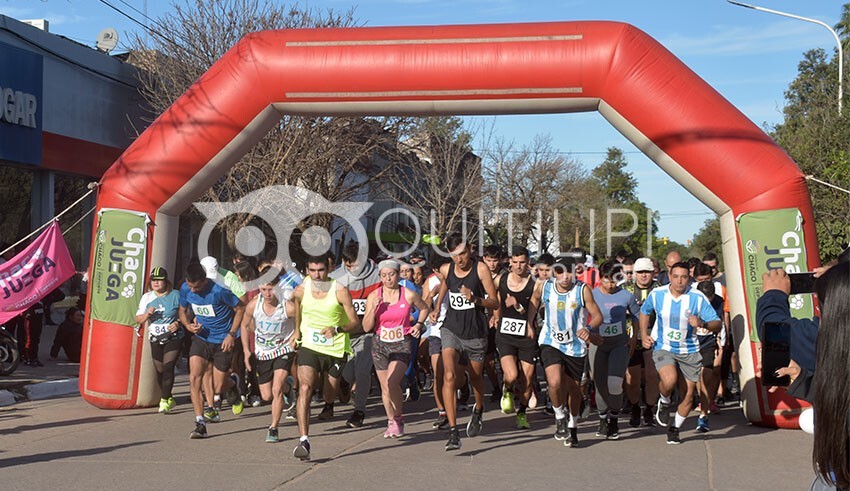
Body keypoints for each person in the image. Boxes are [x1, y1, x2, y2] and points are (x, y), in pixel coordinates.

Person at [430, 234, 499, 451]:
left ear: (470, 249)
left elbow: (494, 302)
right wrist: (436, 307)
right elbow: (445, 284)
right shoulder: (446, 269)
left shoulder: (481, 269)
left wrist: (475, 299)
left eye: (462, 254)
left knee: (476, 377)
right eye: (454, 255)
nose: (459, 259)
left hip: (475, 332)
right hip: (451, 329)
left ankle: (478, 408)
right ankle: (453, 432)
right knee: (449, 376)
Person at [639, 261, 720, 444]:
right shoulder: (658, 294)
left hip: (689, 350)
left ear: (689, 279)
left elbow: (717, 323)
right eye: (675, 277)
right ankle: (664, 400)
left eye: (684, 277)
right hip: (664, 346)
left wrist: (702, 323)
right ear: (669, 276)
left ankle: (674, 428)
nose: (679, 281)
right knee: (669, 380)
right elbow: (644, 312)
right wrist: (644, 334)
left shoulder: (697, 297)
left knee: (688, 394)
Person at [291, 253, 361, 461]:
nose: (317, 275)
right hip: (310, 345)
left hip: (335, 347)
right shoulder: (301, 289)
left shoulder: (340, 291)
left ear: (328, 269)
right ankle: (304, 440)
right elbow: (298, 309)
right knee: (305, 387)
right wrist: (296, 332)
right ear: (307, 270)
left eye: (320, 270)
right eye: (312, 270)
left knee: (329, 394)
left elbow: (355, 323)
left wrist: (337, 329)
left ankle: (342, 386)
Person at [528, 256, 603, 448]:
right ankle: (560, 415)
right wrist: (530, 322)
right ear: (554, 272)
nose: (565, 276)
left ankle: (573, 425)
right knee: (554, 381)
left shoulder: (582, 290)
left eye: (569, 272)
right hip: (550, 341)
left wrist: (588, 328)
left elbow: (598, 316)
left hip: (575, 346)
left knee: (574, 391)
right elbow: (534, 300)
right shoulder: (545, 287)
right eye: (560, 272)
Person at [362, 259, 430, 438]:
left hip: (401, 343)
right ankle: (392, 421)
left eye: (391, 274)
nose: (388, 279)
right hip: (380, 344)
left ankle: (398, 417)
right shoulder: (374, 296)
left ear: (398, 275)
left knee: (392, 382)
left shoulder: (408, 294)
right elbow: (366, 327)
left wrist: (419, 324)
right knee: (385, 387)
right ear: (380, 277)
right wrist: (373, 309)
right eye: (384, 275)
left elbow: (424, 308)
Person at [179, 262, 246, 439]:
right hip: (202, 338)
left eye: (197, 287)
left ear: (205, 280)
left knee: (218, 386)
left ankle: (232, 384)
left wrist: (232, 334)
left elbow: (240, 308)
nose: (193, 290)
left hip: (222, 340)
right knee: (194, 378)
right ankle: (200, 423)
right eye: (190, 286)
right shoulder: (185, 289)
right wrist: (188, 325)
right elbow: (182, 310)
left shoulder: (219, 291)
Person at [241, 267, 297, 443]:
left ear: (278, 287)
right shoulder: (254, 305)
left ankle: (273, 428)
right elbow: (244, 325)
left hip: (284, 350)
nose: (267, 294)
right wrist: (246, 351)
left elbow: (302, 320)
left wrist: (296, 334)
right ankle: (289, 387)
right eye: (263, 289)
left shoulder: (287, 306)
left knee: (276, 388)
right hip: (263, 352)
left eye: (270, 289)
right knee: (266, 396)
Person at [331, 242, 381, 428]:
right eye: (350, 265)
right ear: (344, 262)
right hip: (343, 333)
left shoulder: (378, 274)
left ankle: (359, 411)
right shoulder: (335, 278)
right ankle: (345, 382)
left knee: (362, 371)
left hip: (368, 332)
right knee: (347, 372)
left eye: (357, 264)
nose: (354, 269)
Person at [589, 261, 639, 440]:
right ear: (600, 278)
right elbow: (581, 315)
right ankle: (602, 419)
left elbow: (637, 316)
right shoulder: (591, 295)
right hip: (598, 344)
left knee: (615, 383)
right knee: (599, 384)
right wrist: (587, 334)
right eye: (606, 279)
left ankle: (614, 420)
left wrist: (634, 337)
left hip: (619, 344)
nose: (610, 284)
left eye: (614, 280)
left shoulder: (626, 296)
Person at [493, 246, 538, 429]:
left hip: (526, 335)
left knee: (527, 379)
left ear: (528, 263)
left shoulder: (534, 283)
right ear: (510, 262)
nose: (519, 266)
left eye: (522, 262)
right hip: (505, 334)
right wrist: (494, 315)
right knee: (511, 375)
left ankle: (522, 413)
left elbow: (534, 306)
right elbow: (493, 297)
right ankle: (508, 389)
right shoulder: (501, 279)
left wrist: (528, 322)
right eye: (515, 262)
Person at [135, 267, 184, 414]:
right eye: (153, 280)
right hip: (155, 337)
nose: (156, 283)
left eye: (159, 280)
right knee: (160, 369)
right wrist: (147, 314)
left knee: (168, 366)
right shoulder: (147, 297)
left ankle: (163, 400)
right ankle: (168, 397)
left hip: (173, 336)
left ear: (166, 281)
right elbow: (138, 319)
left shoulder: (176, 295)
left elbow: (186, 312)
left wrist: (178, 322)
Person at [623, 257, 661, 428]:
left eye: (647, 272)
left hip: (654, 338)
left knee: (652, 375)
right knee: (632, 378)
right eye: (640, 272)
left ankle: (650, 409)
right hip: (632, 338)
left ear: (653, 273)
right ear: (634, 273)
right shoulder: (625, 289)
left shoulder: (660, 289)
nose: (643, 275)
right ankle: (635, 406)